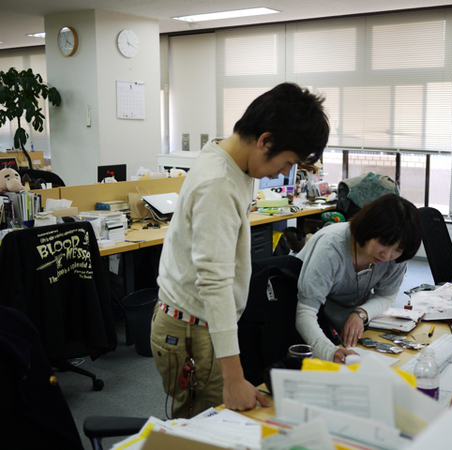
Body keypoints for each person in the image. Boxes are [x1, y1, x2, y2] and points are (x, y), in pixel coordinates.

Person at [150, 82, 329, 418]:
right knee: (206, 427)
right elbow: (214, 282)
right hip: (193, 328)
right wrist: (234, 377)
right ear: (265, 141)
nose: (284, 172)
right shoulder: (218, 184)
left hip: (205, 322)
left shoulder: (233, 159)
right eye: (288, 162)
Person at [295, 193, 422, 363]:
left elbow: (386, 296)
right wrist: (329, 352)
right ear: (369, 228)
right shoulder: (331, 247)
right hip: (304, 323)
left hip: (343, 329)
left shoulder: (396, 258)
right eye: (383, 243)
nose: (386, 255)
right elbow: (305, 312)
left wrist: (361, 313)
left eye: (397, 249)